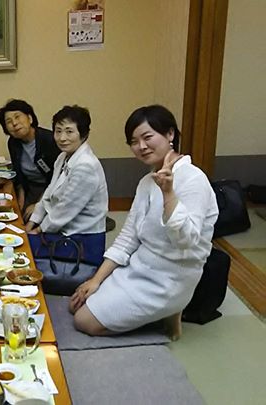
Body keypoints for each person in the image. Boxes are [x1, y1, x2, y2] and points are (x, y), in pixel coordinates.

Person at [69, 105, 218, 340]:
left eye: (147, 137)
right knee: (76, 304)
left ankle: (169, 311)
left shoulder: (193, 179)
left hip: (171, 277)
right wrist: (96, 280)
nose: (141, 146)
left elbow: (187, 241)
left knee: (83, 321)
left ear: (170, 134)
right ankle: (160, 312)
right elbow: (128, 237)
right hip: (140, 266)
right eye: (134, 141)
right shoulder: (147, 181)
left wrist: (168, 194)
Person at [25, 105, 108, 261]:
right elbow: (48, 193)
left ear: (83, 134)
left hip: (82, 241)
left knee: (22, 247)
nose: (62, 138)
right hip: (62, 231)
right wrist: (31, 222)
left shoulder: (86, 165)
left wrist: (38, 230)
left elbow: (65, 209)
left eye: (69, 131)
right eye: (58, 131)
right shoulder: (63, 157)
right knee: (21, 239)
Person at [0, 99, 61, 220]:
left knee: (35, 220)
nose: (14, 123)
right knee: (17, 216)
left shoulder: (49, 140)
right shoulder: (13, 143)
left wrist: (39, 205)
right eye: (9, 121)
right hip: (31, 189)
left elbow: (57, 178)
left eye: (17, 117)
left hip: (53, 191)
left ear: (30, 118)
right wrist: (20, 201)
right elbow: (19, 176)